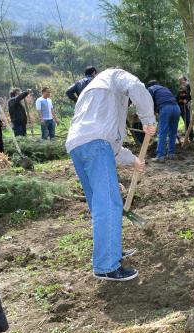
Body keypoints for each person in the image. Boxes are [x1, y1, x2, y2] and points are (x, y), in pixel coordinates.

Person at [65, 68, 156, 281]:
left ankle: (111, 250)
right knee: (108, 204)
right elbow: (137, 87)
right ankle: (106, 265)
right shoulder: (116, 75)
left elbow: (111, 144)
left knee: (100, 204)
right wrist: (148, 119)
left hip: (78, 146)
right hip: (96, 145)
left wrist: (132, 160)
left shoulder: (92, 92)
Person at [147, 80, 181, 161]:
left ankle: (160, 156)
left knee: (162, 132)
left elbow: (150, 102)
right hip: (176, 108)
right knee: (173, 132)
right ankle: (171, 154)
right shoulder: (164, 88)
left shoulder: (151, 89)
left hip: (166, 108)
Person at [177, 76, 194, 141]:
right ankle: (178, 138)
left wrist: (187, 100)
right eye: (179, 80)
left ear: (185, 80)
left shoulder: (188, 85)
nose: (180, 81)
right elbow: (178, 96)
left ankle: (191, 137)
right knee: (176, 121)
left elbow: (190, 95)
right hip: (179, 106)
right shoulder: (180, 87)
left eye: (181, 80)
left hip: (185, 106)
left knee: (187, 121)